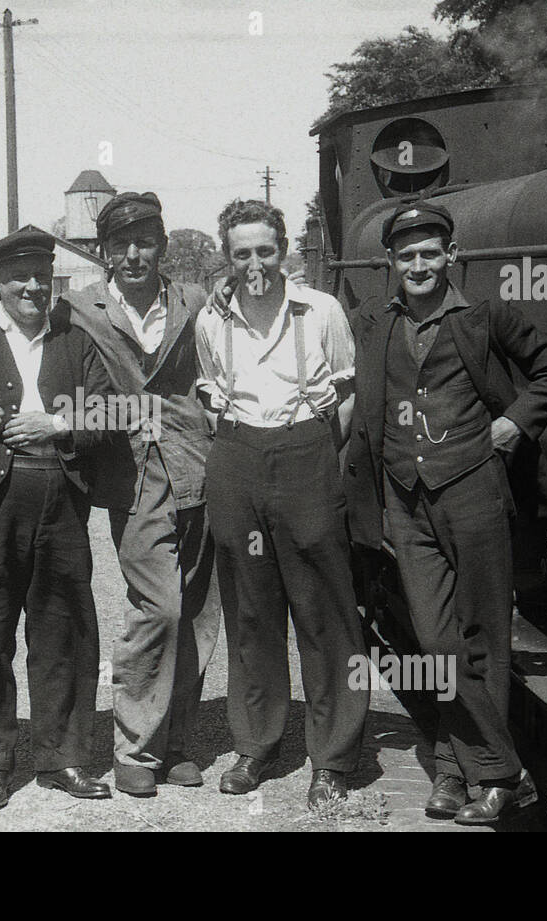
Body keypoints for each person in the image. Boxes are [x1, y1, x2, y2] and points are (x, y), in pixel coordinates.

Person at [344, 201, 547, 824]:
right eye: (405, 255)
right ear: (390, 262)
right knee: (436, 639)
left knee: (483, 638)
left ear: (451, 256)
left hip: (474, 492)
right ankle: (503, 773)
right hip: (405, 500)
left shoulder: (484, 314)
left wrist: (514, 423)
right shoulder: (372, 321)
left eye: (429, 253)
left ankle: (455, 769)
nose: (418, 265)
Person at [195, 198, 367, 810]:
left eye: (265, 250)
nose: (255, 263)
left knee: (322, 608)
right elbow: (211, 387)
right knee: (249, 608)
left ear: (284, 248)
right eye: (241, 253)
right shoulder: (212, 320)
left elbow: (346, 391)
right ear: (228, 257)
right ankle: (257, 745)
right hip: (237, 452)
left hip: (306, 450)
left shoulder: (321, 311)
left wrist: (314, 452)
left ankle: (334, 755)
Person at [0, 228, 116, 809]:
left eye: (42, 275)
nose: (33, 286)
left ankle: (63, 756)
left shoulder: (74, 339)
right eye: (20, 277)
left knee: (62, 624)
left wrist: (58, 425)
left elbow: (111, 412)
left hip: (61, 493)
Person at [63, 192, 221, 797]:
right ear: (104, 251)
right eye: (121, 244)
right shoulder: (78, 309)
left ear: (162, 245)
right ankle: (135, 745)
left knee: (200, 612)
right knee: (160, 607)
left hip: (197, 461)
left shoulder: (196, 301)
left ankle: (177, 744)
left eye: (146, 242)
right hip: (131, 471)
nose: (134, 255)